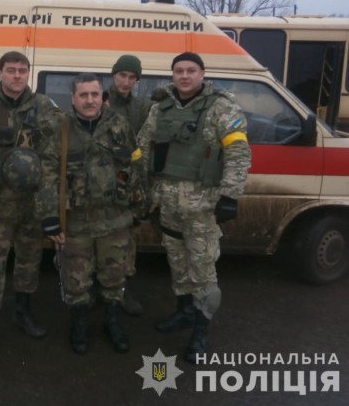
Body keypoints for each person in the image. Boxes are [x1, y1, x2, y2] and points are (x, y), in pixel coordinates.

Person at [136, 52, 251, 363]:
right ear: (172, 75)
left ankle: (201, 330)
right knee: (177, 263)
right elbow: (144, 150)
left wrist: (230, 196)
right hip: (168, 205)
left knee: (202, 270)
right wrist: (142, 193)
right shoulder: (160, 109)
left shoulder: (221, 108)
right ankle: (184, 312)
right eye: (179, 71)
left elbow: (238, 152)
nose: (184, 76)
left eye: (190, 70)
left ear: (202, 74)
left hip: (203, 209)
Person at [35, 72, 143, 354]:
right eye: (83, 95)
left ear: (102, 96)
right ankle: (79, 326)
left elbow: (134, 165)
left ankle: (112, 323)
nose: (90, 100)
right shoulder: (58, 128)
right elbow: (47, 176)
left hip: (114, 220)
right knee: (76, 281)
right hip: (76, 223)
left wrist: (140, 204)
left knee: (115, 278)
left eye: (95, 94)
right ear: (73, 98)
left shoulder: (120, 124)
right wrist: (50, 218)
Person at [0, 51, 56, 365]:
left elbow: (49, 158)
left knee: (29, 261)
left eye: (22, 70)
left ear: (28, 73)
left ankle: (22, 311)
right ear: (0, 72)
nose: (17, 76)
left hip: (31, 204)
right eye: (11, 70)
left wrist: (47, 207)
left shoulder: (42, 106)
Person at [104, 54, 154, 316]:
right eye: (122, 75)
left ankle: (123, 290)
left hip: (129, 181)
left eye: (132, 77)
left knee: (126, 240)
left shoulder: (141, 107)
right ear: (114, 75)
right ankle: (96, 290)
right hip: (99, 180)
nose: (126, 81)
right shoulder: (98, 100)